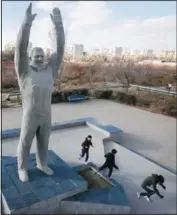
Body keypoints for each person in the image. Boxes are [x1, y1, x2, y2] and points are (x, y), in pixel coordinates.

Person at [15, 3, 65, 182]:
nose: (39, 58)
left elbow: (59, 50)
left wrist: (58, 25)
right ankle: (22, 168)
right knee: (25, 143)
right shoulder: (24, 72)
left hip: (46, 114)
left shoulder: (50, 71)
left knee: (44, 143)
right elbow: (20, 48)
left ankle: (42, 164)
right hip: (30, 115)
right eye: (36, 55)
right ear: (30, 58)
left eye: (42, 55)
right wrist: (26, 24)